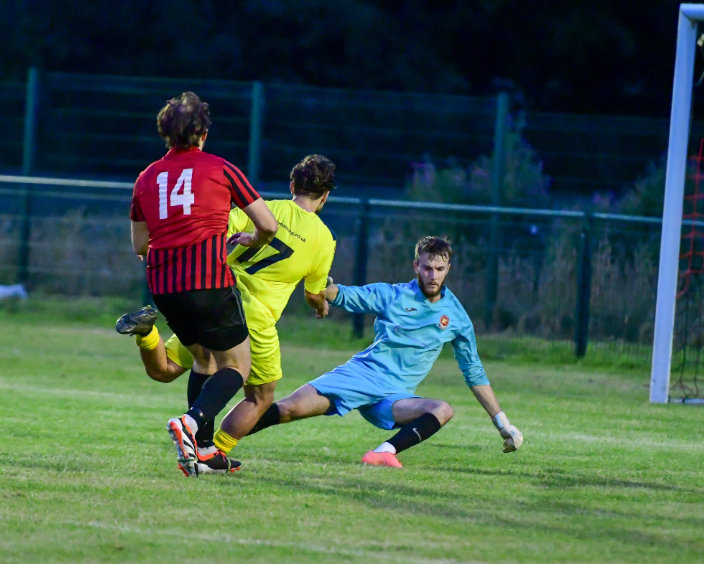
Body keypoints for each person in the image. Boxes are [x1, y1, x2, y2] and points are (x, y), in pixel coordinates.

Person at [118, 154, 338, 475]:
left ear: (292, 185)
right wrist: (321, 306)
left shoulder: (265, 209)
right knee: (260, 395)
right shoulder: (324, 239)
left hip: (219, 296)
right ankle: (212, 452)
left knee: (167, 369)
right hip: (256, 317)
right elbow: (313, 293)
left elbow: (220, 228)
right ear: (325, 196)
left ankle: (147, 333)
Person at [237, 235, 524, 467]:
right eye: (427, 268)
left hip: (394, 398)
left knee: (442, 409)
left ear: (448, 268)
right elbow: (346, 295)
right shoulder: (394, 295)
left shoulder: (457, 317)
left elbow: (474, 373)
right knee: (288, 409)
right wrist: (320, 286)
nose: (433, 275)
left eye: (439, 269)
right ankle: (215, 441)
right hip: (361, 377)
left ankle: (383, 453)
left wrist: (503, 423)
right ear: (416, 266)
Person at [129, 91, 278, 477]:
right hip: (208, 281)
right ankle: (190, 423)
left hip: (164, 286)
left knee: (204, 361)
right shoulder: (221, 169)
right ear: (203, 133)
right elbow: (268, 224)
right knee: (237, 365)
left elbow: (139, 245)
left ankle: (205, 451)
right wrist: (253, 240)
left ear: (165, 134)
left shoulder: (146, 178)